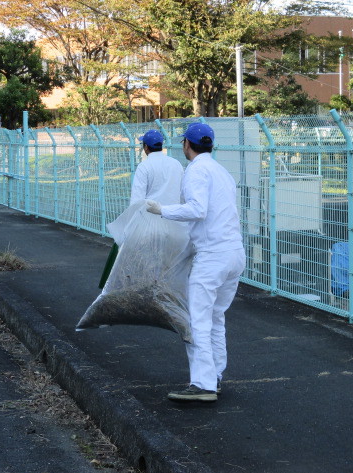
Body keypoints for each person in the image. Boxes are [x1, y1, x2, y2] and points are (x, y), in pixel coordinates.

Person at [146, 123, 245, 403]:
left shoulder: (196, 170)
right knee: (215, 318)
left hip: (213, 256)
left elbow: (197, 210)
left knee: (197, 320)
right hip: (234, 253)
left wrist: (162, 210)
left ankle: (203, 384)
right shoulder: (221, 172)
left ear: (186, 145)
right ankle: (214, 376)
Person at [98, 129, 183, 288]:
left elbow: (136, 202)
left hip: (149, 226)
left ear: (145, 147)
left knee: (149, 268)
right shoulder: (175, 164)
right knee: (169, 268)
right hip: (174, 223)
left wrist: (128, 230)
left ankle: (151, 298)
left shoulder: (144, 166)